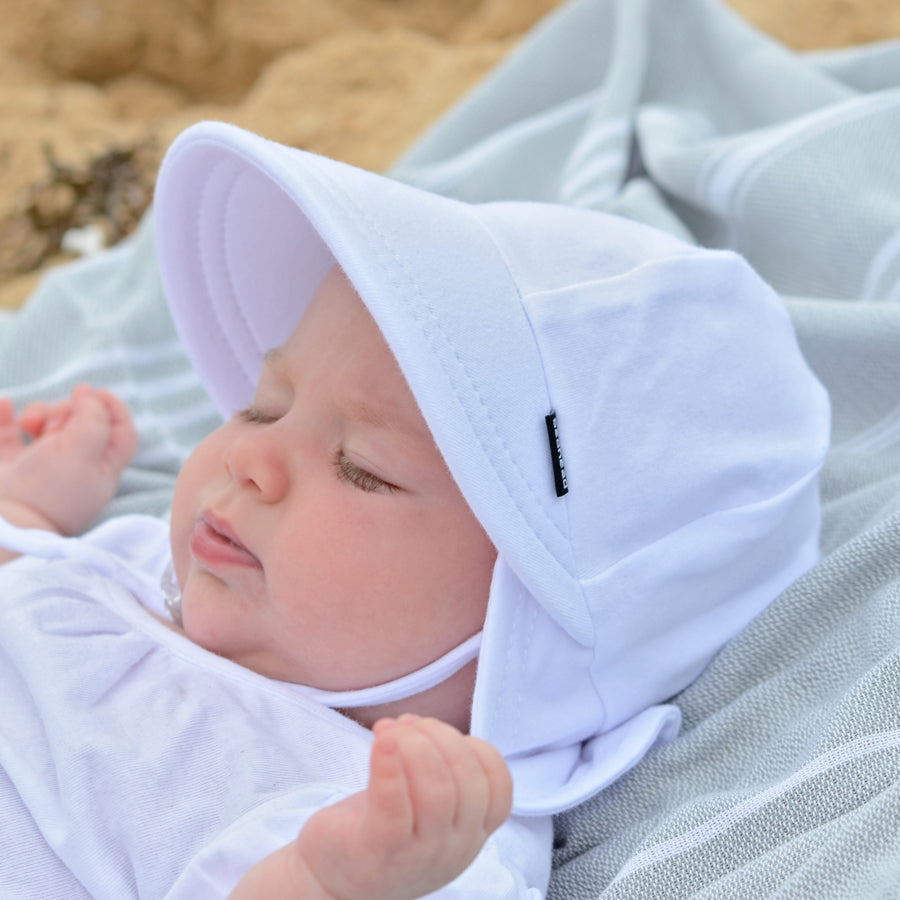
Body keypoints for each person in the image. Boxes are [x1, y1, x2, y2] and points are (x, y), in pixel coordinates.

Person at [0, 120, 831, 899]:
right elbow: (35, 604)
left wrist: (327, 880)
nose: (248, 458)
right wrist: (29, 508)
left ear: (523, 639)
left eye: (361, 470)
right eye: (264, 403)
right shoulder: (164, 571)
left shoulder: (394, 821)